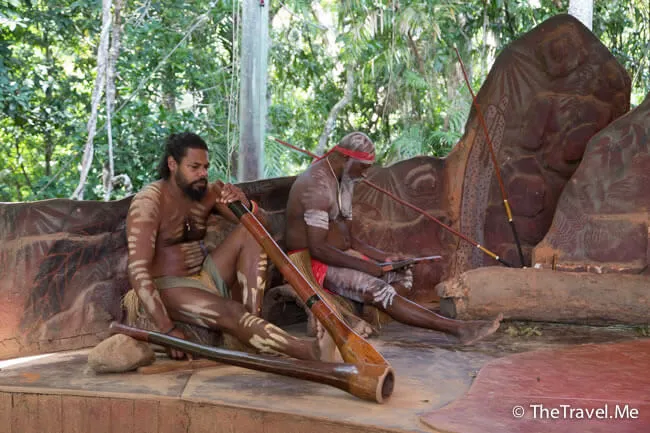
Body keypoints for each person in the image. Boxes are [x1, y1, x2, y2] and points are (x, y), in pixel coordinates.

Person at [285, 132, 503, 345]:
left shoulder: (346, 179)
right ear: (345, 158)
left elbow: (350, 239)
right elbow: (318, 249)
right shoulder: (317, 186)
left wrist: (385, 258)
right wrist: (366, 267)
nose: (365, 175)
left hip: (339, 255)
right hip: (314, 263)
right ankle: (458, 329)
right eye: (363, 167)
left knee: (402, 274)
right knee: (380, 289)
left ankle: (371, 308)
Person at [126, 132, 327, 360]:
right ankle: (310, 351)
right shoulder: (149, 202)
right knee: (233, 312)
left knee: (251, 232)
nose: (203, 173)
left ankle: (252, 327)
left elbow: (264, 227)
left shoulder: (208, 192)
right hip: (168, 285)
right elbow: (138, 269)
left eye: (205, 167)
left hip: (205, 276)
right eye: (194, 167)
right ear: (173, 164)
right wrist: (167, 330)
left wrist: (245, 203)